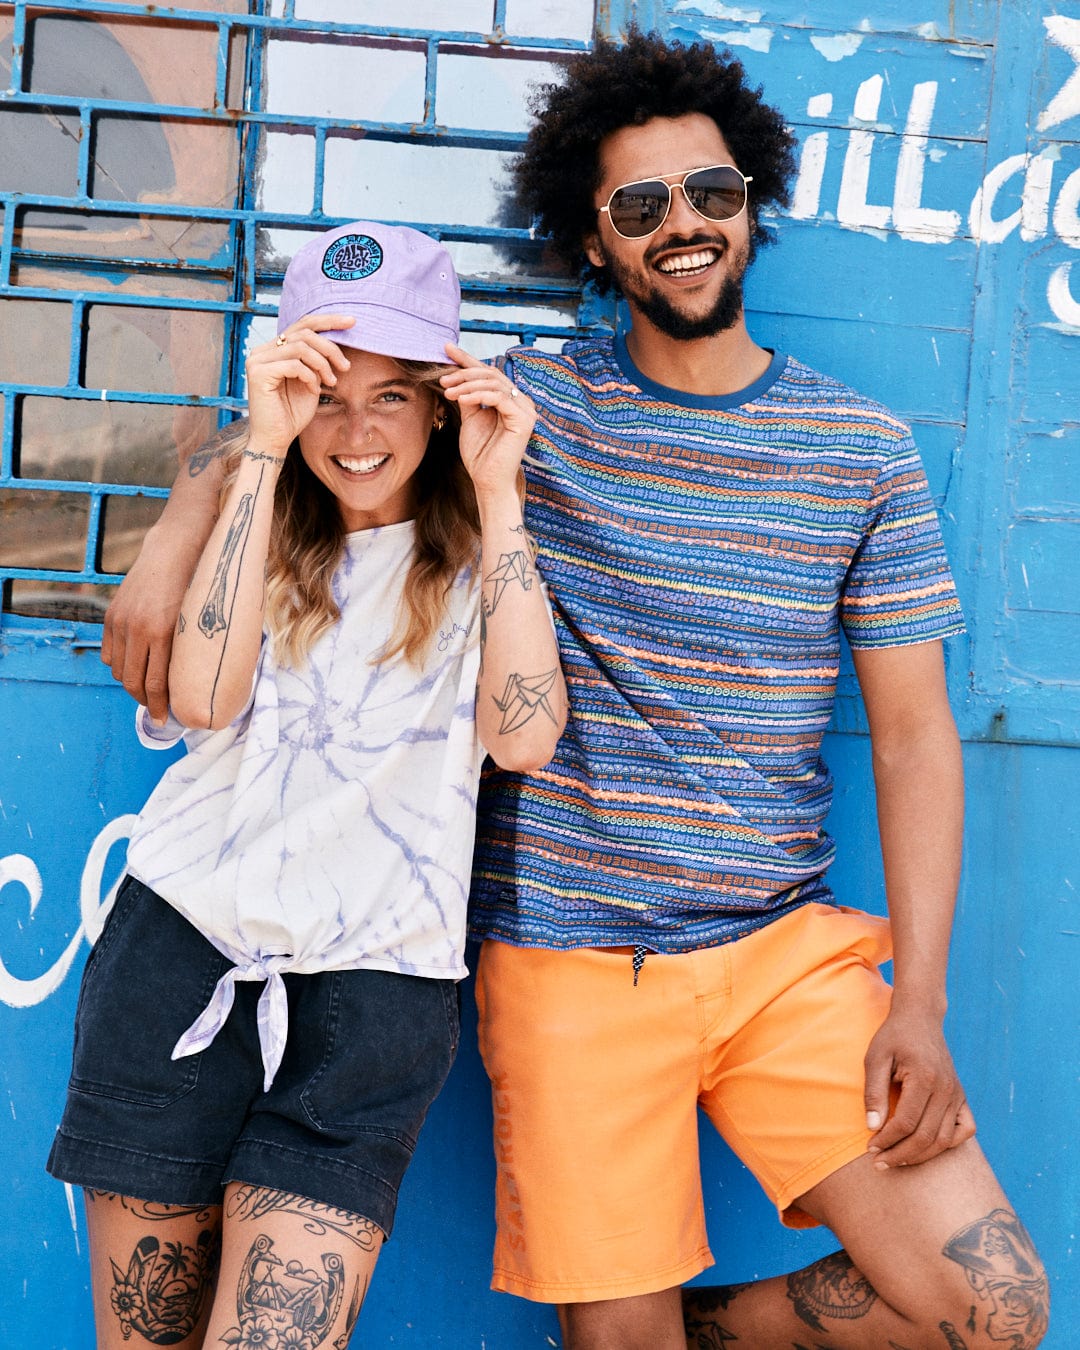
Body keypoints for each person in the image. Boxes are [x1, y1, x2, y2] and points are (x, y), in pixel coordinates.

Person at [98, 31, 1049, 1350]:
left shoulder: (865, 451)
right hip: (567, 957)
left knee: (993, 1305)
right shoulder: (520, 412)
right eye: (641, 206)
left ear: (752, 205)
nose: (685, 226)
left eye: (712, 193)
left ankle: (685, 1323)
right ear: (591, 241)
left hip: (782, 952)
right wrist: (187, 506)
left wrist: (925, 1002)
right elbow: (350, 408)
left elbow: (913, 737)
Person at [46, 220, 566, 1350]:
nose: (358, 429)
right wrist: (259, 457)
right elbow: (207, 697)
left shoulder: (490, 560)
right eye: (327, 391)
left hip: (374, 1002)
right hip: (179, 959)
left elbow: (525, 739)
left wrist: (503, 491)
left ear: (440, 401)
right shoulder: (255, 520)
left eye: (391, 394)